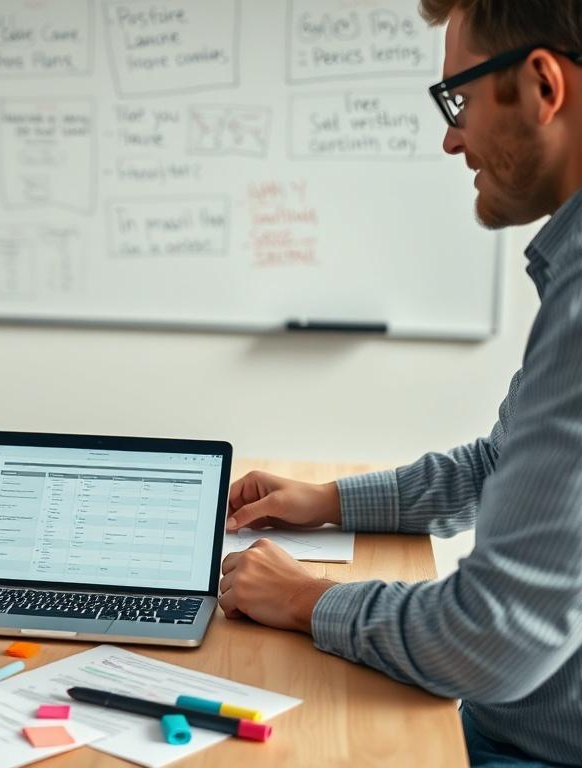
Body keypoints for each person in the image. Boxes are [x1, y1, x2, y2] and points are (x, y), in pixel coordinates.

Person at [217, 2, 582, 765]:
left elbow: (492, 637)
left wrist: (304, 599)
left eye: (460, 100)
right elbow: (501, 464)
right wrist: (330, 502)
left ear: (542, 86)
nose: (451, 138)